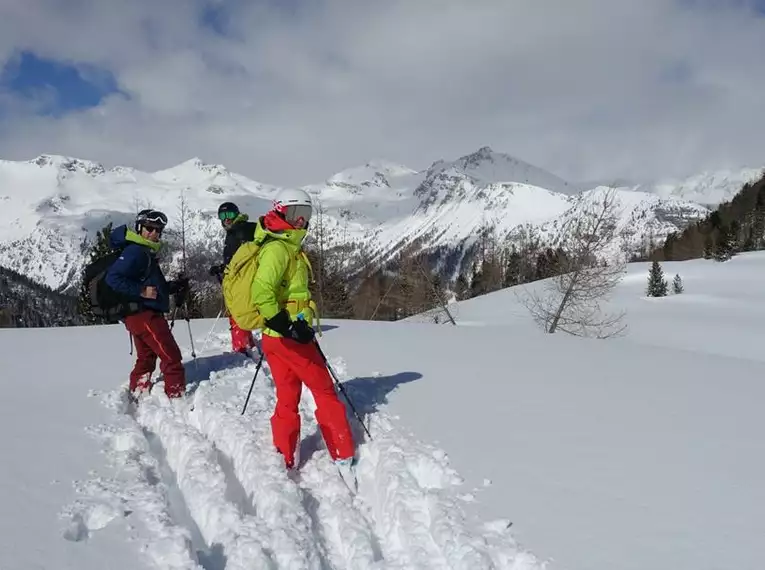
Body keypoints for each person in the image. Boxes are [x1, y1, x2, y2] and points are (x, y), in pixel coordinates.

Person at [250, 188, 356, 471]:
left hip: (276, 339)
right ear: (281, 212)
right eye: (297, 214)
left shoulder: (285, 245)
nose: (302, 221)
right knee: (324, 390)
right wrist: (288, 326)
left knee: (287, 395)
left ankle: (284, 453)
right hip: (289, 337)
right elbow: (261, 292)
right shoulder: (277, 249)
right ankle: (343, 453)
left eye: (306, 214)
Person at [104, 209, 190, 399]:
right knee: (171, 356)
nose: (154, 233)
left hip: (139, 314)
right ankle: (177, 396)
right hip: (144, 315)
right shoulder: (136, 251)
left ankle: (138, 391)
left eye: (158, 230)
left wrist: (172, 287)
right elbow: (113, 278)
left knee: (146, 357)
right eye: (150, 228)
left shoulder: (144, 251)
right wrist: (141, 291)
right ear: (139, 228)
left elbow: (154, 286)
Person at [209, 201, 257, 353]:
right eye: (222, 215)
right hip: (239, 277)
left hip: (242, 280)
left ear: (236, 214)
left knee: (236, 312)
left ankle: (241, 346)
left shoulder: (240, 229)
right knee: (240, 311)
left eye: (229, 214)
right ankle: (247, 343)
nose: (226, 219)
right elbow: (236, 258)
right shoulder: (235, 231)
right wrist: (223, 268)